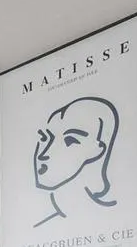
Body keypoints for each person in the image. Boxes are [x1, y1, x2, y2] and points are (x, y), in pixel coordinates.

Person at [32, 96, 118, 227]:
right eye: (45, 138)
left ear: (98, 150)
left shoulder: (112, 219)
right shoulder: (38, 226)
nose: (44, 153)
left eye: (69, 140)